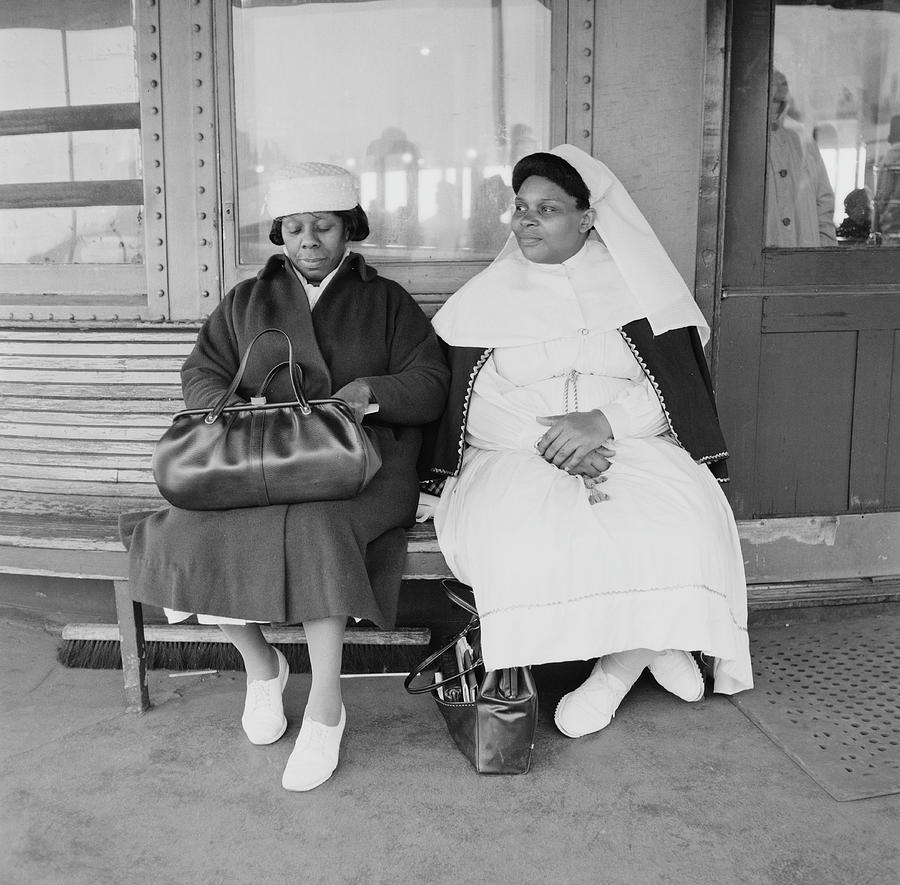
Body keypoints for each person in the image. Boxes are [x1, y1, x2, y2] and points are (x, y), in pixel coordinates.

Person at [122, 162, 449, 789]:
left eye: (323, 227)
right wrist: (230, 405)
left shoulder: (386, 302)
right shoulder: (249, 300)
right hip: (261, 461)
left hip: (360, 464)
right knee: (187, 529)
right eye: (295, 228)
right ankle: (261, 664)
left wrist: (369, 393)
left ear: (348, 229)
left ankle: (327, 704)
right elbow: (202, 371)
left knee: (319, 529)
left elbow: (431, 382)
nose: (309, 241)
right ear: (281, 233)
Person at [426, 145, 752, 740]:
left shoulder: (642, 291)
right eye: (520, 208)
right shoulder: (486, 298)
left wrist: (602, 424)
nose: (525, 221)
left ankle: (613, 674)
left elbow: (673, 391)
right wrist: (554, 440)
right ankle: (655, 645)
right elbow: (478, 402)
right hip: (516, 452)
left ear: (588, 216)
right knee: (525, 536)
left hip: (629, 442)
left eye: (546, 209)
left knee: (679, 521)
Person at [765, 69, 836, 247]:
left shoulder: (802, 140)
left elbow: (824, 204)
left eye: (783, 84)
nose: (778, 88)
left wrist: (824, 256)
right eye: (773, 84)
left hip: (804, 259)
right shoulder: (743, 141)